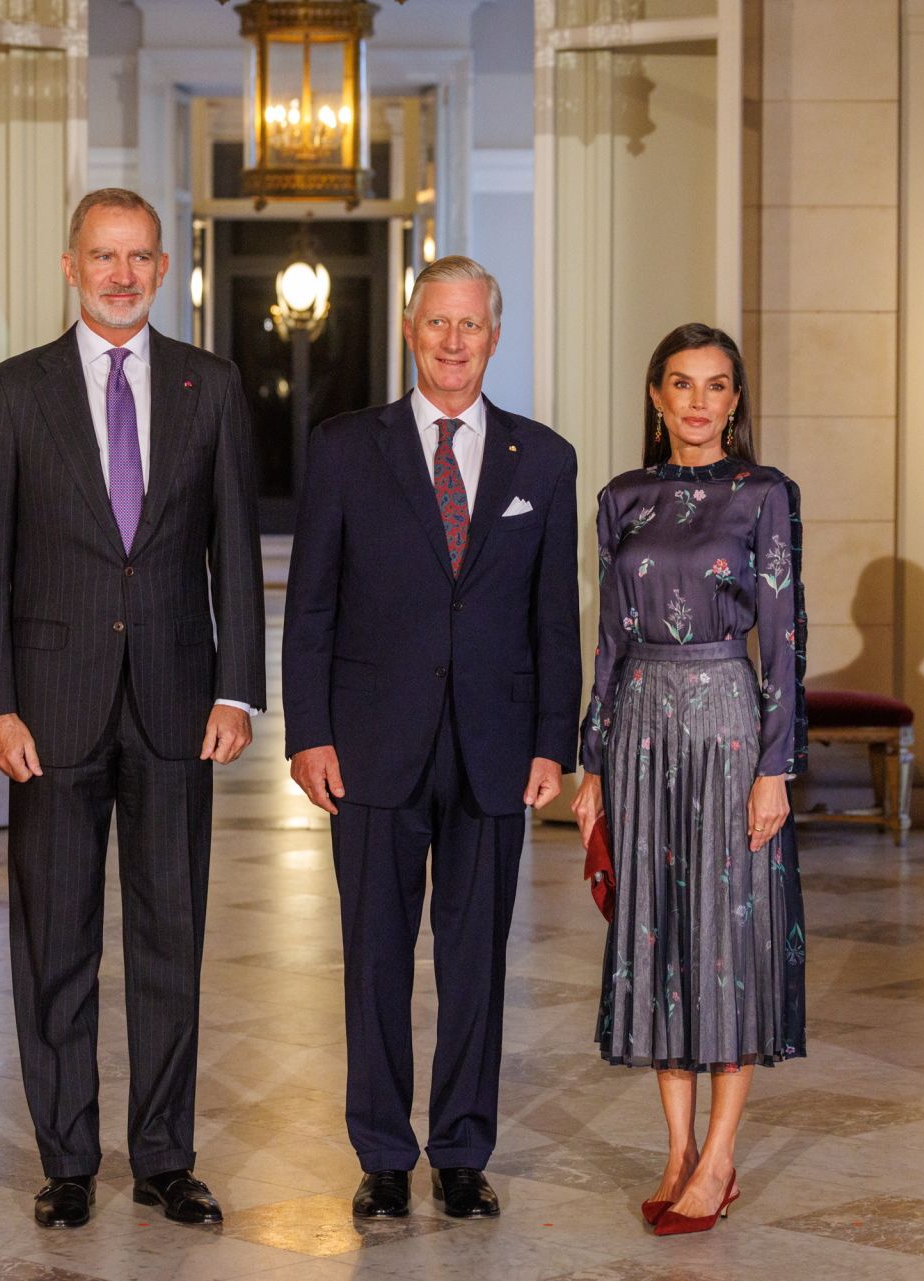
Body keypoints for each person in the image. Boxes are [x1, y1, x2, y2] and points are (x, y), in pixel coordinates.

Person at [0, 188, 263, 1230]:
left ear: (165, 269)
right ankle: (69, 1161)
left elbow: (233, 546)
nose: (121, 274)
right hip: (50, 707)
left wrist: (236, 690)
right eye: (103, 256)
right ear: (69, 264)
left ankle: (167, 1158)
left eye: (139, 257)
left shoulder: (210, 386)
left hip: (179, 705)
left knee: (172, 935)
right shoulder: (11, 392)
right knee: (57, 943)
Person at [284, 256, 581, 1221]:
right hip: (371, 743)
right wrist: (310, 730)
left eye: (472, 326)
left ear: (496, 335)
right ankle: (380, 1152)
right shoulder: (342, 448)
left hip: (496, 747)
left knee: (476, 960)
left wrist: (553, 739)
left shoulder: (543, 459)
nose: (454, 342)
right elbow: (312, 604)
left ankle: (461, 1150)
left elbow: (555, 614)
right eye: (437, 323)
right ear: (411, 330)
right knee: (373, 955)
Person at [570, 323, 807, 1237]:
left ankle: (720, 1156)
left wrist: (775, 768)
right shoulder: (621, 497)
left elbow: (784, 637)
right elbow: (607, 639)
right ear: (658, 398)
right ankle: (674, 1152)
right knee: (659, 930)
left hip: (726, 725)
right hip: (638, 730)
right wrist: (593, 758)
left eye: (716, 385)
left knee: (730, 935)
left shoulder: (765, 495)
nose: (699, 401)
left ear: (736, 401)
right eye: (682, 384)